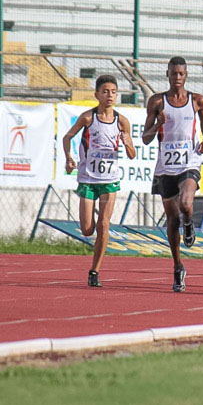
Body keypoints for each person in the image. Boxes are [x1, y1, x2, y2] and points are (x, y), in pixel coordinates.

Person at [142, 57, 203, 293]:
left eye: (181, 74)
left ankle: (189, 223)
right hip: (165, 168)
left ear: (186, 75)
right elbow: (145, 138)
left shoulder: (197, 100)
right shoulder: (157, 101)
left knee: (186, 203)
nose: (177, 78)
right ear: (167, 74)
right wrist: (156, 124)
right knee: (171, 220)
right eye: (174, 74)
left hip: (189, 162)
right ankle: (178, 266)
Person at [62, 75, 137, 288]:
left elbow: (131, 154)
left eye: (113, 91)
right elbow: (67, 137)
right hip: (87, 179)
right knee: (87, 229)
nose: (110, 95)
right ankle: (93, 225)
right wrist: (69, 158)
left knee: (104, 225)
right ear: (97, 95)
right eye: (105, 91)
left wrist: (127, 143)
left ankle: (95, 270)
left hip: (109, 180)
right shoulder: (88, 118)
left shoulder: (122, 121)